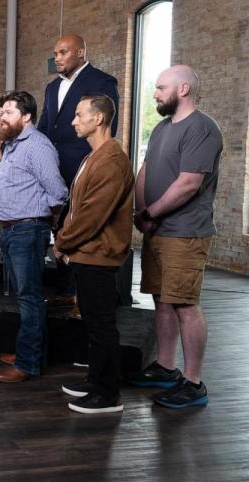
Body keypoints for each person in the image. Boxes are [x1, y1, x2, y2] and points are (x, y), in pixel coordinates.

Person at [128, 65, 223, 408]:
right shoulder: (162, 129)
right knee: (162, 300)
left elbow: (188, 184)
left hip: (185, 233)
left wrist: (151, 214)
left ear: (183, 89)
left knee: (185, 304)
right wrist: (142, 213)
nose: (155, 93)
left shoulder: (203, 128)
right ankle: (166, 366)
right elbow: (145, 170)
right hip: (156, 230)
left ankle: (193, 381)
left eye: (160, 87)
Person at [54, 94, 134, 414]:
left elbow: (91, 215)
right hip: (87, 255)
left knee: (102, 326)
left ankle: (108, 393)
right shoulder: (95, 156)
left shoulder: (112, 159)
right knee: (92, 324)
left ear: (98, 119)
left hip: (98, 256)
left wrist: (62, 242)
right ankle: (96, 378)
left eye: (78, 115)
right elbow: (78, 209)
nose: (73, 120)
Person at [38, 34, 120, 308]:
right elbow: (44, 129)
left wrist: (89, 166)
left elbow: (108, 129)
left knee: (81, 224)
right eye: (55, 53)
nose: (57, 58)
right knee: (58, 224)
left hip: (84, 168)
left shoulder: (102, 82)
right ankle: (63, 290)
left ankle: (79, 294)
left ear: (81, 52)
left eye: (63, 52)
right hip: (52, 169)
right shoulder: (51, 89)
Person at [0, 90, 68, 383]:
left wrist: (40, 219)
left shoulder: (37, 145)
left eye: (9, 112)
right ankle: (31, 352)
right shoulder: (11, 144)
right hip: (12, 230)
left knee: (30, 299)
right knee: (25, 298)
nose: (2, 117)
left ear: (26, 116)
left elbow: (58, 192)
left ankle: (28, 363)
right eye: (1, 112)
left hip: (27, 230)